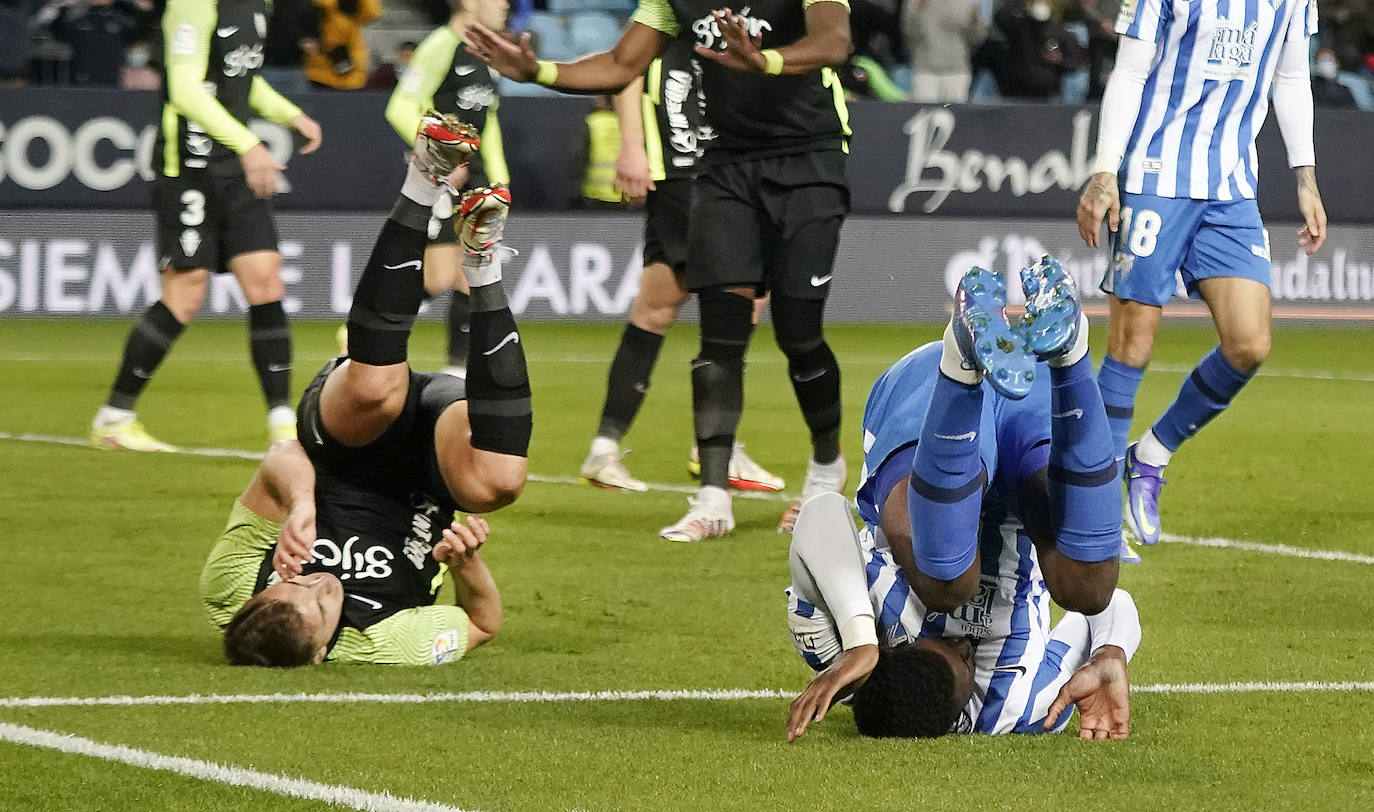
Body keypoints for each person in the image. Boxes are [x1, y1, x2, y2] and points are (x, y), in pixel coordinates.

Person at [467, 0, 854, 541]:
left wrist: (761, 59)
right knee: (720, 336)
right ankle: (713, 498)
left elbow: (834, 41)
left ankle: (824, 470)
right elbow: (623, 63)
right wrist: (542, 73)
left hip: (810, 158)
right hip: (724, 165)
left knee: (798, 331)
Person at [200, 112, 533, 667]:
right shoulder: (384, 641)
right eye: (320, 604)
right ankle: (481, 262)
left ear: (259, 596)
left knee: (374, 387)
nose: (317, 581)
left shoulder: (230, 586)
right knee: (498, 482)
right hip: (427, 470)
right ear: (322, 650)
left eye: (293, 585)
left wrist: (300, 503)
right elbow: (482, 623)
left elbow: (281, 456)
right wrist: (465, 563)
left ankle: (425, 176)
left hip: (342, 442)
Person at [785, 260, 1134, 739]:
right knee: (1087, 589)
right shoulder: (1012, 709)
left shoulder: (837, 651)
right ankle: (1071, 353)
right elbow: (1113, 606)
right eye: (969, 666)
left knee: (946, 586)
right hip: (1018, 464)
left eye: (947, 644)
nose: (968, 645)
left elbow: (822, 511)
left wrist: (861, 640)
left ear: (893, 653)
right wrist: (1110, 652)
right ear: (958, 719)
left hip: (925, 411)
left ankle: (961, 362)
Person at [1076, 0, 1327, 551]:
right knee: (1131, 346)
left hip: (1231, 186)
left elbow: (1290, 76)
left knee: (1250, 344)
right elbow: (1130, 70)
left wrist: (1304, 179)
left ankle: (1151, 455)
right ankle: (1093, 518)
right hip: (1153, 173)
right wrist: (1105, 170)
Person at [89, 0, 324, 451]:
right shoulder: (194, 5)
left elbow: (240, 83)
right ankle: (114, 419)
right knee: (185, 293)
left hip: (233, 165)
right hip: (189, 167)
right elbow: (185, 90)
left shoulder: (257, 7)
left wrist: (288, 115)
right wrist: (251, 143)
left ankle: (282, 428)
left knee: (265, 280)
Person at [578, 38, 785, 496]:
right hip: (693, 172)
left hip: (708, 171)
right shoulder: (670, 17)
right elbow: (626, 69)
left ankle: (605, 447)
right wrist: (632, 146)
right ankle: (713, 447)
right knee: (741, 300)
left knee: (656, 308)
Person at [386, 0, 510, 378]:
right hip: (445, 175)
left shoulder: (487, 53)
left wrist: (500, 178)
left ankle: (457, 370)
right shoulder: (441, 45)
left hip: (476, 177)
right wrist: (443, 156)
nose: (505, 4)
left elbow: (487, 120)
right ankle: (367, 326)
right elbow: (400, 107)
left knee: (471, 274)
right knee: (438, 278)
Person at [903, 0, 986, 104]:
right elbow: (909, 35)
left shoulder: (967, 2)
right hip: (925, 72)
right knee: (925, 116)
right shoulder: (915, 2)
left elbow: (977, 38)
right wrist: (918, 11)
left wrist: (976, 21)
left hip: (957, 73)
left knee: (955, 116)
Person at [304, 0, 381, 91]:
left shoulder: (350, 15)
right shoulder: (319, 12)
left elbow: (373, 12)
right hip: (320, 73)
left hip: (351, 72)